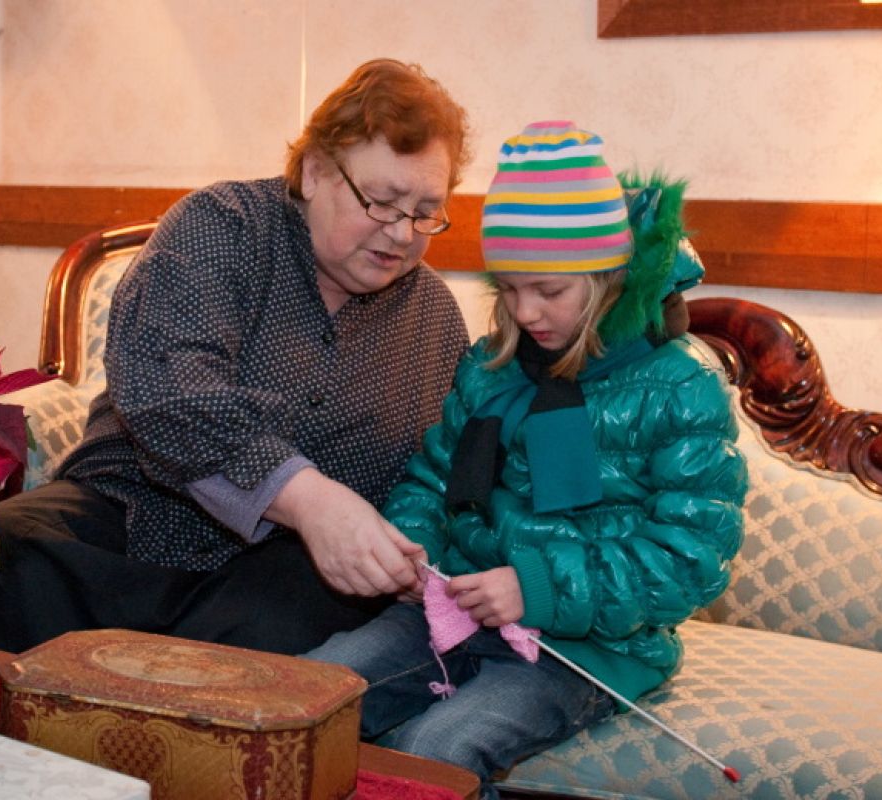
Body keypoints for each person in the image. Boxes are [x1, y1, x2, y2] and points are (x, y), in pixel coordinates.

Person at [0, 59, 472, 656]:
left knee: (277, 642)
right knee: (4, 551)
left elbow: (444, 471)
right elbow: (171, 391)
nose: (402, 234)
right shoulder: (220, 228)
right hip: (131, 514)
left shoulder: (434, 320)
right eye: (382, 201)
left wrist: (407, 548)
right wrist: (308, 499)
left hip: (283, 570)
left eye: (426, 212)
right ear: (315, 172)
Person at [304, 121, 748, 797]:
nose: (524, 311)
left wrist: (534, 587)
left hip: (586, 649)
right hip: (453, 611)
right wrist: (411, 545)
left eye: (548, 291)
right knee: (307, 697)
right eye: (508, 289)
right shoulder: (491, 368)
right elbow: (433, 480)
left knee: (434, 747)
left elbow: (689, 558)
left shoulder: (681, 385)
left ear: (606, 280)